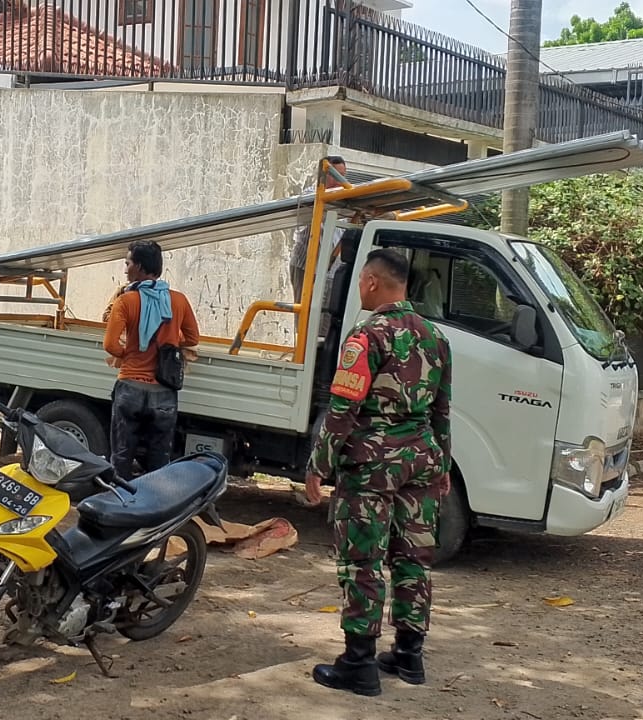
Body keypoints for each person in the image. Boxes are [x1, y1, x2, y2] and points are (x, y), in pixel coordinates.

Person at [303, 248, 452, 697]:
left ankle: (359, 663)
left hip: (371, 466)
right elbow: (442, 411)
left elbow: (343, 409)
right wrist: (442, 465)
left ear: (370, 282)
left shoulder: (366, 336)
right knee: (413, 560)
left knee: (362, 561)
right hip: (421, 461)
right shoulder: (435, 337)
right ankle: (409, 655)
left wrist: (318, 466)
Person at [103, 241, 200, 478]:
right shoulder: (178, 301)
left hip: (130, 388)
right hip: (164, 390)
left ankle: (121, 504)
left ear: (139, 267)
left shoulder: (125, 301)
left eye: (127, 263)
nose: (125, 269)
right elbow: (192, 337)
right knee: (159, 459)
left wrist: (130, 354)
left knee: (122, 456)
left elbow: (110, 345)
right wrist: (168, 344)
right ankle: (153, 506)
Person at [290, 156, 350, 304]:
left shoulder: (344, 201)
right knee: (306, 314)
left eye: (343, 176)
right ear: (325, 175)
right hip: (306, 268)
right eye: (336, 176)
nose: (341, 182)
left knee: (324, 319)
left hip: (330, 270)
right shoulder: (311, 196)